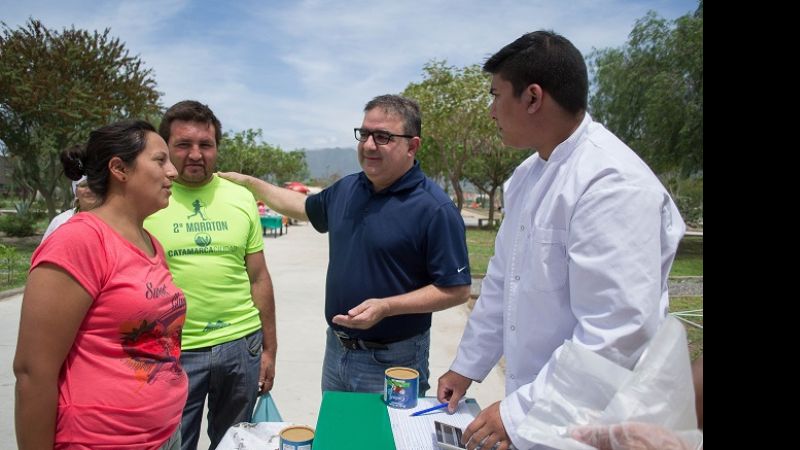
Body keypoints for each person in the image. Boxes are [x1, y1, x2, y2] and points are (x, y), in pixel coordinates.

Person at [436, 30, 686, 450]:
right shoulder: (525, 178)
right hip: (539, 407)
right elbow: (501, 283)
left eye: (496, 95)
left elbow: (618, 330)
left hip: (593, 419)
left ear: (533, 98)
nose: (491, 110)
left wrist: (518, 413)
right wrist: (467, 366)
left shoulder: (611, 183)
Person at [219, 94, 471, 395]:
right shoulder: (348, 188)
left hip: (393, 359)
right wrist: (250, 184)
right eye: (364, 134)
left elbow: (457, 289)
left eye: (383, 137)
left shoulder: (435, 208)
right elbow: (301, 206)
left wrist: (388, 307)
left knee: (383, 441)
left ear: (412, 146)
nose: (368, 145)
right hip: (337, 349)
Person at [13, 120, 185, 449]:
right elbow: (33, 372)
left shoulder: (151, 242)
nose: (173, 171)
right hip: (102, 439)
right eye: (160, 160)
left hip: (164, 435)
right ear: (120, 169)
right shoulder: (79, 240)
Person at [144, 100, 277, 450]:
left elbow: (259, 277)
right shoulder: (146, 199)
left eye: (206, 144)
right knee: (173, 443)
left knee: (235, 442)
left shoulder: (240, 198)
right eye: (183, 145)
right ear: (165, 148)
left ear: (217, 147)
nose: (195, 154)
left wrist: (269, 348)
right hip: (173, 349)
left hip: (241, 345)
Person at [41, 151, 99, 241]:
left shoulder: (111, 220)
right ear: (76, 191)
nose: (89, 190)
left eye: (93, 185)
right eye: (83, 186)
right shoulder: (61, 221)